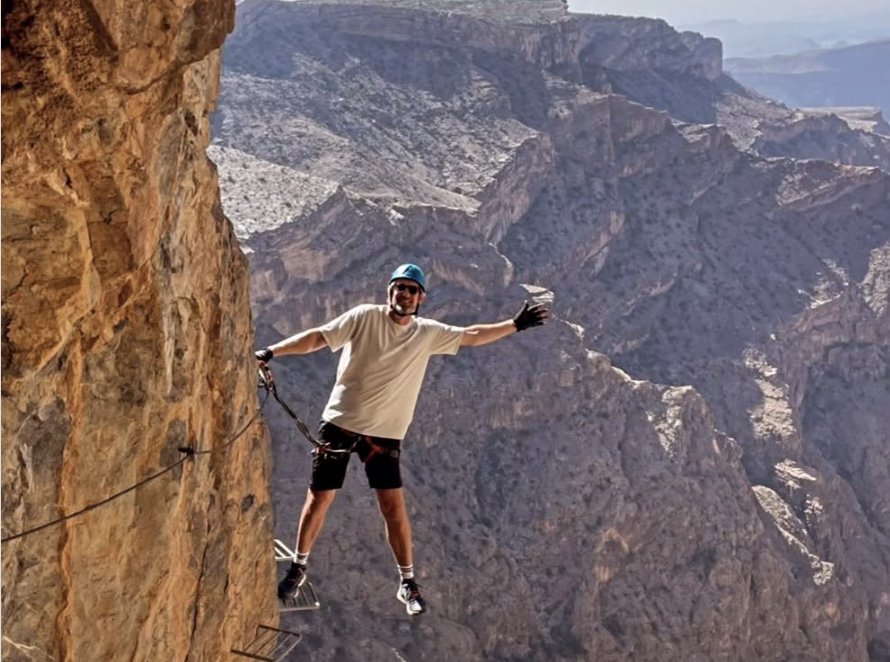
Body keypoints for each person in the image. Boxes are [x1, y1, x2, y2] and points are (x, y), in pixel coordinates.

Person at [255, 263, 548, 615]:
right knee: (319, 498)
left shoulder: (426, 333)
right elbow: (319, 336)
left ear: (420, 298)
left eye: (411, 289)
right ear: (389, 291)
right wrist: (271, 352)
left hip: (383, 435)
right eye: (399, 287)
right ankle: (298, 569)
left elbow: (471, 335)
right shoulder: (364, 317)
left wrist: (514, 325)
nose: (404, 294)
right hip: (340, 423)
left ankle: (407, 583)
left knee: (392, 508)